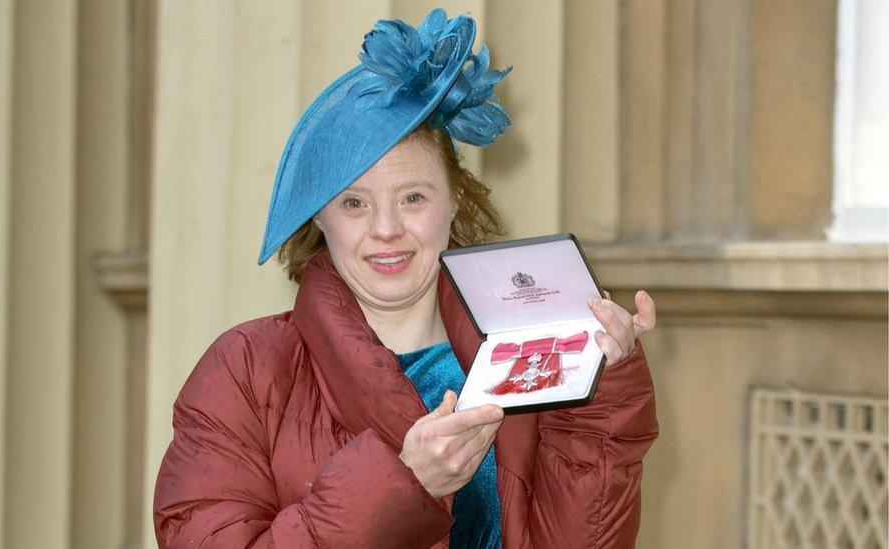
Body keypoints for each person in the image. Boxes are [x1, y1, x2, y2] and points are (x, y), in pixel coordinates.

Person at [154, 9, 658, 548]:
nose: (387, 230)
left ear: (455, 199)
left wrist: (599, 389)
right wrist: (403, 484)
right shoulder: (246, 369)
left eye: (413, 198)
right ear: (319, 219)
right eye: (354, 204)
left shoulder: (530, 353)